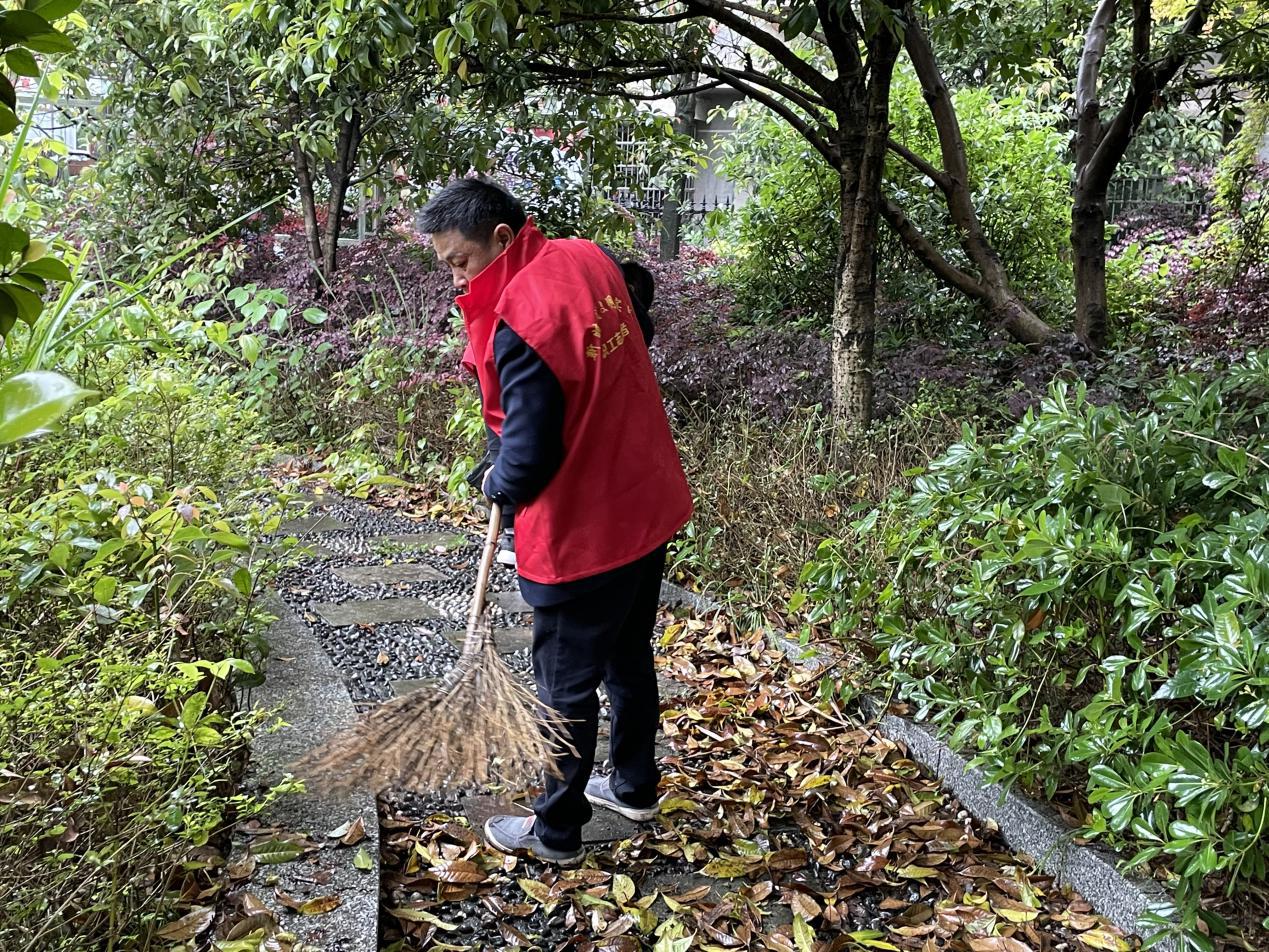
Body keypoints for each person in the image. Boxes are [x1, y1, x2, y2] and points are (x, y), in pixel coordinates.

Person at [418, 178, 692, 866]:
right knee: (627, 654)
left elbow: (530, 456)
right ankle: (632, 784)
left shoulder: (521, 319)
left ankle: (557, 832)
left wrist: (494, 482)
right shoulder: (585, 256)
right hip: (644, 498)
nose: (454, 276)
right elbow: (638, 303)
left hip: (586, 529)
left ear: (503, 239)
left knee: (564, 687)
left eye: (460, 262)